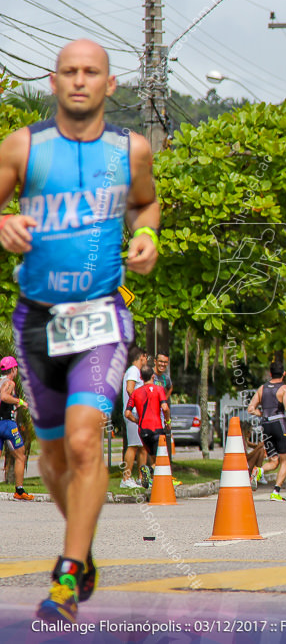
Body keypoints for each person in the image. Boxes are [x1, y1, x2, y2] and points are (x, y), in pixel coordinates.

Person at [0, 39, 159, 623]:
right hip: (38, 317)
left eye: (92, 72)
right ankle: (83, 549)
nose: (80, 80)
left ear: (110, 84)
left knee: (86, 438)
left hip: (100, 315)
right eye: (69, 71)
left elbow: (145, 205)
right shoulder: (24, 146)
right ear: (53, 80)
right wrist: (4, 220)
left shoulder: (131, 150)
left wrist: (148, 236)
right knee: (52, 456)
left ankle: (66, 577)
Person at [247, 361, 286, 501]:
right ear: (284, 373)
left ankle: (259, 470)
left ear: (270, 373)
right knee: (284, 461)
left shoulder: (262, 388)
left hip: (266, 425)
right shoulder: (285, 388)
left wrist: (262, 414)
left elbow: (250, 408)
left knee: (274, 460)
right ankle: (275, 492)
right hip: (279, 424)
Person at [125, 366, 171, 486]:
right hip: (157, 429)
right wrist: (168, 422)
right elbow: (165, 408)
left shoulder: (135, 392)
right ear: (153, 376)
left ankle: (154, 480)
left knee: (152, 455)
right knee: (160, 458)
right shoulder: (159, 389)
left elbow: (127, 413)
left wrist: (136, 421)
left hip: (143, 431)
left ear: (141, 377)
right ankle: (149, 471)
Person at [0, 357, 33, 500]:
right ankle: (19, 491)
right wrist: (19, 401)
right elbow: (4, 397)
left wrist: (14, 404)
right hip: (7, 424)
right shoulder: (9, 383)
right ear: (13, 369)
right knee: (21, 455)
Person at [119, 346, 148, 488]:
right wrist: (139, 404)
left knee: (142, 447)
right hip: (133, 414)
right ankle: (126, 479)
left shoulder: (136, 372)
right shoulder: (133, 371)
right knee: (133, 446)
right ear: (141, 356)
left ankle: (142, 478)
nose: (146, 360)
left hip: (138, 413)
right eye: (146, 356)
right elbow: (130, 389)